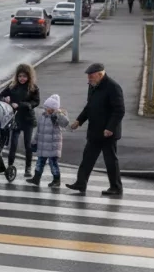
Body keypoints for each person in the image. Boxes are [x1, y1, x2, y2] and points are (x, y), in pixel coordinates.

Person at [67, 63, 125, 196]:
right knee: (87, 157)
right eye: (88, 77)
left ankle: (116, 187)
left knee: (110, 160)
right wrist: (79, 120)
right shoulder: (93, 86)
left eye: (91, 76)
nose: (89, 79)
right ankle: (81, 183)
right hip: (94, 131)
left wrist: (110, 128)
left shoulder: (113, 87)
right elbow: (90, 106)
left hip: (107, 133)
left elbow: (119, 111)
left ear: (100, 74)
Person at [0, 63, 40, 177]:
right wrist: (5, 99)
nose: (22, 79)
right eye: (20, 76)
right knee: (13, 144)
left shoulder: (33, 88)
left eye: (25, 76)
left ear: (29, 77)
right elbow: (0, 96)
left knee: (28, 144)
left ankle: (28, 168)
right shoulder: (12, 86)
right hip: (15, 118)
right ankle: (10, 165)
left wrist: (21, 105)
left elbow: (36, 102)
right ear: (17, 76)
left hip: (28, 119)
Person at [26, 94, 69, 187]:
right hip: (42, 145)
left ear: (53, 108)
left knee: (53, 163)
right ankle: (36, 178)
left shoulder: (57, 117)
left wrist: (57, 113)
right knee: (40, 162)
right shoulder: (43, 116)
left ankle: (56, 179)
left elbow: (65, 123)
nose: (46, 110)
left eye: (48, 108)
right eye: (46, 107)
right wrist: (34, 141)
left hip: (53, 145)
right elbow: (39, 131)